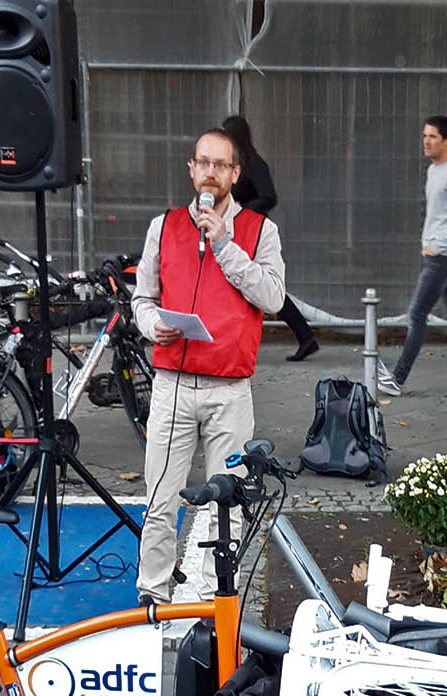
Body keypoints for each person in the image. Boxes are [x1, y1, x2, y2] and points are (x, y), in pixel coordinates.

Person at [131, 127, 285, 603]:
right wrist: (151, 324)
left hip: (229, 389)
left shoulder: (261, 231)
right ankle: (152, 595)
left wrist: (223, 245)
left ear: (235, 174)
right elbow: (143, 298)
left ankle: (210, 600)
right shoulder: (165, 226)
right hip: (172, 382)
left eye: (221, 165)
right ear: (192, 169)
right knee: (159, 500)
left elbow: (273, 297)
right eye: (204, 163)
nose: (211, 173)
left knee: (229, 503)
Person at [377, 115, 447, 397]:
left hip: (444, 255)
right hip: (436, 253)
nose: (427, 141)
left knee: (417, 313)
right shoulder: (433, 170)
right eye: (424, 136)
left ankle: (397, 379)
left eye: (433, 137)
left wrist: (438, 244)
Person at [221, 115, 320, 362]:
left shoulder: (253, 164)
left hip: (250, 231)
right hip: (239, 229)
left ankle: (304, 337)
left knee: (260, 285)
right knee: (249, 283)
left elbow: (269, 196)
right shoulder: (242, 163)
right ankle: (304, 337)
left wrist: (244, 212)